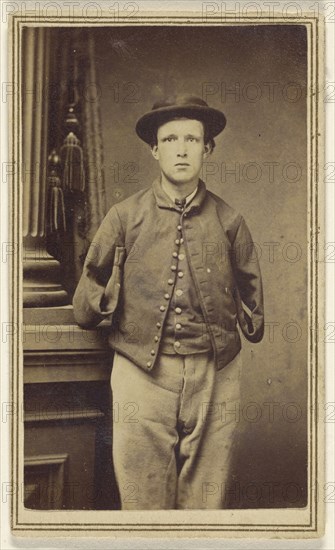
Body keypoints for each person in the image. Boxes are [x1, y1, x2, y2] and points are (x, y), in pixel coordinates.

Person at [73, 94, 264, 510]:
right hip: (140, 372)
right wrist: (109, 299)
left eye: (192, 140)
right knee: (142, 501)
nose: (181, 149)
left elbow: (252, 299)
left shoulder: (230, 221)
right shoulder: (124, 217)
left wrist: (242, 325)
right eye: (171, 139)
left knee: (204, 505)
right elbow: (87, 295)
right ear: (155, 150)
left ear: (208, 148)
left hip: (216, 374)